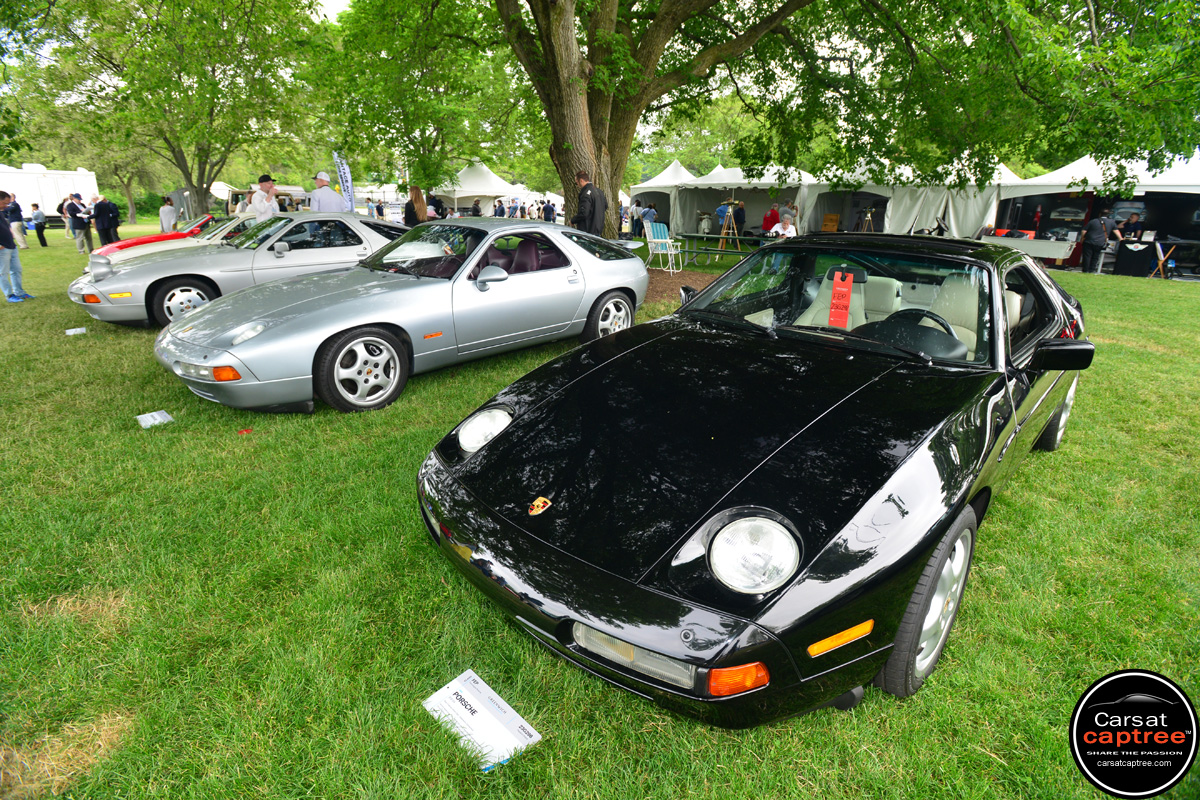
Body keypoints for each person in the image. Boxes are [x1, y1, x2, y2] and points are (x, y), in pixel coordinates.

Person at [0, 191, 32, 301]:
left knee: (17, 270)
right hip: (2, 247)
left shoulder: (1, 212)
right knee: (2, 272)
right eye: (5, 203)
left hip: (11, 245)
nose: (6, 206)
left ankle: (19, 292)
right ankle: (9, 295)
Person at [1080, 209, 1119, 274]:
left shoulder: (1093, 221)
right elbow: (1116, 231)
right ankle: (1092, 270)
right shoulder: (1111, 222)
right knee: (1095, 256)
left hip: (1089, 240)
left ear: (1100, 214)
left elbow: (1084, 231)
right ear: (1108, 215)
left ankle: (1085, 270)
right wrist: (1121, 238)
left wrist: (1082, 238)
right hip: (1100, 242)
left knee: (1087, 256)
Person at [571, 171, 607, 236]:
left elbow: (584, 213)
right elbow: (605, 206)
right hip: (598, 228)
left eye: (577, 183)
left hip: (587, 230)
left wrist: (573, 220)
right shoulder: (599, 192)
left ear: (581, 180)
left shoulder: (585, 194)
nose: (578, 185)